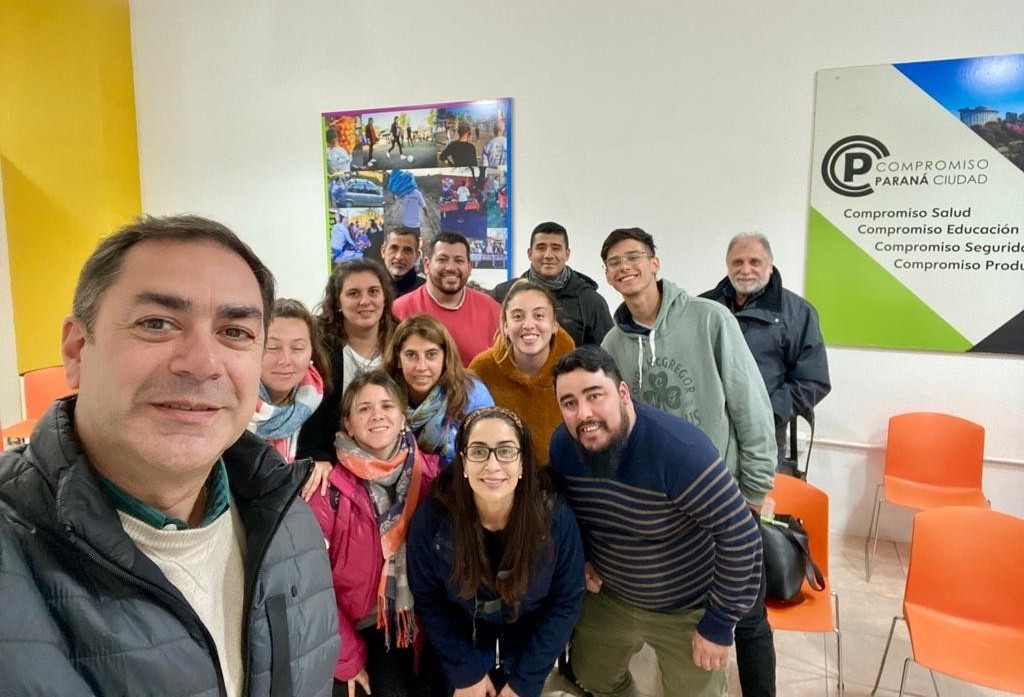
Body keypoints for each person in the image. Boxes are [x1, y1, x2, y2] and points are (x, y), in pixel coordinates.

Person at [0, 215, 339, 694]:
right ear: (76, 351)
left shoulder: (288, 523)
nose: (202, 363)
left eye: (235, 332)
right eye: (157, 324)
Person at [598, 227, 778, 696]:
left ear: (655, 263)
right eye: (614, 262)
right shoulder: (613, 344)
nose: (625, 267)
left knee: (747, 616)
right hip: (662, 510)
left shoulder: (709, 318)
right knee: (683, 618)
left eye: (634, 256)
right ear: (608, 276)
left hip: (723, 498)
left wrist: (754, 491)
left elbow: (750, 405)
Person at [549, 345, 763, 697]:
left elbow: (740, 533)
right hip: (611, 595)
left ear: (623, 394)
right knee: (593, 677)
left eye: (594, 395)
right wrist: (583, 557)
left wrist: (720, 622)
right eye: (569, 403)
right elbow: (570, 515)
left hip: (686, 605)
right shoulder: (564, 448)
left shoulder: (680, 452)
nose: (583, 413)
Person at [408, 406, 585, 697]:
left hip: (529, 637)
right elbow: (429, 598)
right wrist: (466, 672)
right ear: (463, 462)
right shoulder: (435, 517)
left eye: (505, 451)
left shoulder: (554, 517)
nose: (492, 465)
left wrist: (525, 682)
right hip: (462, 636)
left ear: (523, 462)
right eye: (479, 452)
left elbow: (566, 601)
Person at [307, 371, 442, 697]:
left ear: (403, 418)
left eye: (387, 406)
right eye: (364, 408)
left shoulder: (434, 476)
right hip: (361, 628)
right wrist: (348, 657)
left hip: (426, 618)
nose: (377, 415)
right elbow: (310, 587)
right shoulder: (326, 490)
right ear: (348, 425)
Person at [699, 232, 831, 461]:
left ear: (770, 266)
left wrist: (764, 414)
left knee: (757, 486)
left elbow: (813, 381)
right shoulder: (703, 307)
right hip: (706, 432)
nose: (745, 269)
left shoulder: (798, 313)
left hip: (763, 436)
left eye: (755, 262)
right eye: (737, 262)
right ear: (728, 266)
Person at [298, 259, 398, 468]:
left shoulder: (402, 344)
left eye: (373, 292)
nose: (365, 301)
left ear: (385, 298)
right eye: (353, 293)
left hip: (397, 460)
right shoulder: (316, 348)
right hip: (330, 462)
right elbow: (308, 423)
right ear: (337, 302)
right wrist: (320, 460)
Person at [470, 280, 575, 466]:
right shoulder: (481, 369)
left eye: (539, 315)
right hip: (499, 475)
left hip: (563, 476)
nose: (528, 325)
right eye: (518, 316)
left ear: (554, 325)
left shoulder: (575, 370)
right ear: (505, 326)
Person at [250, 298, 334, 500]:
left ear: (311, 352)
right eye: (272, 347)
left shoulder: (320, 402)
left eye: (297, 348)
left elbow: (325, 450)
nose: (285, 360)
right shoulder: (230, 404)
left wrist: (323, 462)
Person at [384, 315, 494, 468]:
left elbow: (488, 455)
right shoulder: (381, 395)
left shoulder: (473, 394)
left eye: (431, 355)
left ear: (445, 357)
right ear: (398, 359)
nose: (421, 366)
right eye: (411, 355)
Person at [491, 221, 613, 347]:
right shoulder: (502, 295)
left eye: (556, 248)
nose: (548, 255)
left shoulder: (591, 302)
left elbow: (605, 354)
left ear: (567, 254)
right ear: (530, 254)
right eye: (541, 248)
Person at [393, 231, 500, 367]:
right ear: (426, 265)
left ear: (469, 267)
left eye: (459, 260)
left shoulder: (492, 310)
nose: (451, 267)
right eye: (442, 260)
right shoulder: (398, 310)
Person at [382, 227, 426, 297]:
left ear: (417, 256)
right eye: (394, 248)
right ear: (383, 251)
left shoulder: (428, 291)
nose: (399, 257)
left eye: (407, 250)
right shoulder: (368, 287)